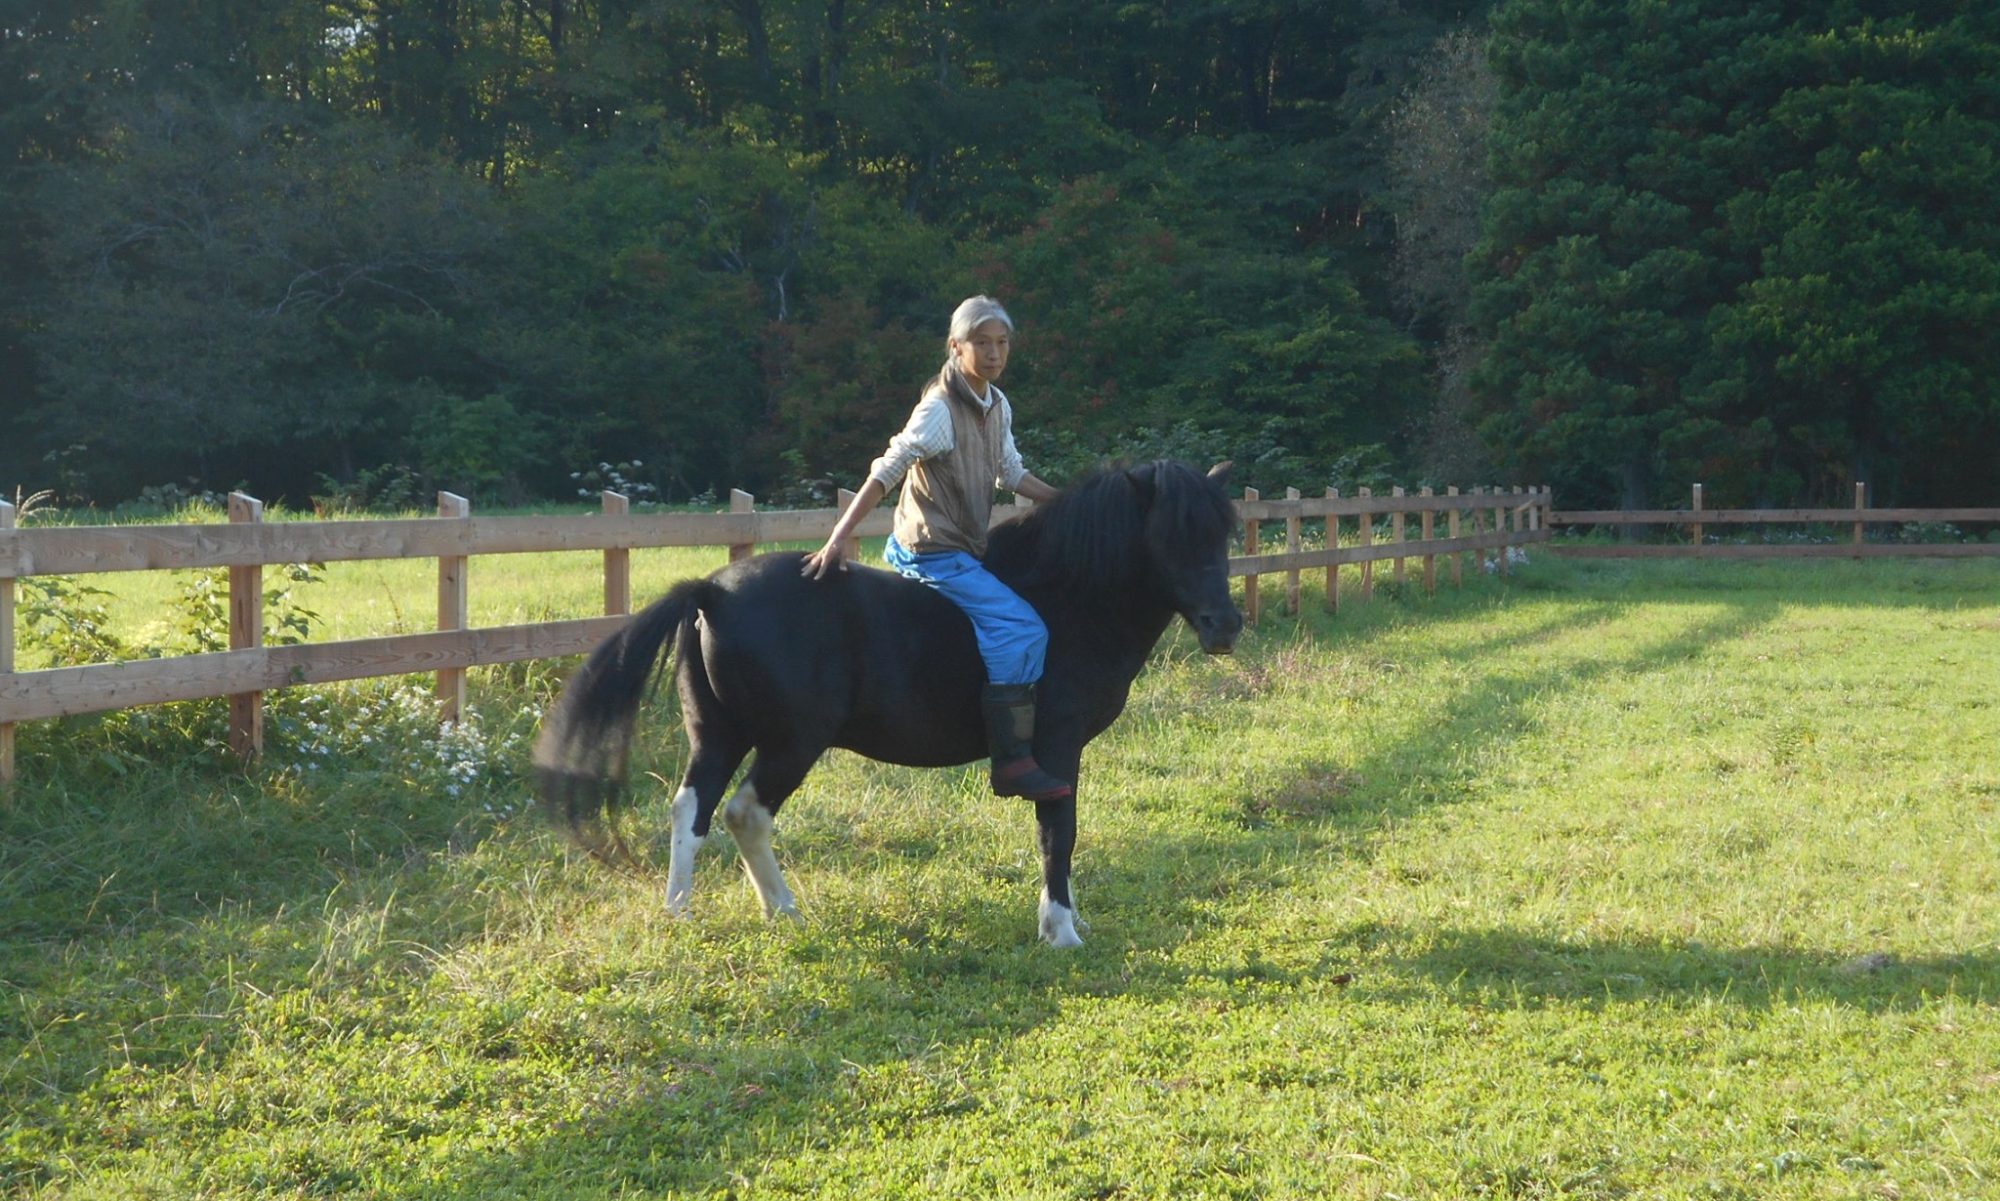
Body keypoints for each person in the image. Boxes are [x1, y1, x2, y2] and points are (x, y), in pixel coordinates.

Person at [801, 295, 1072, 802]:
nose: (994, 354)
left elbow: (1009, 472)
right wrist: (839, 539)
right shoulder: (939, 410)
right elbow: (888, 468)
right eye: (981, 343)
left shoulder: (996, 404)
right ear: (955, 346)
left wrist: (1068, 501)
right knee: (1021, 625)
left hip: (965, 548)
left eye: (1002, 343)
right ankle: (1013, 761)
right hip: (929, 551)